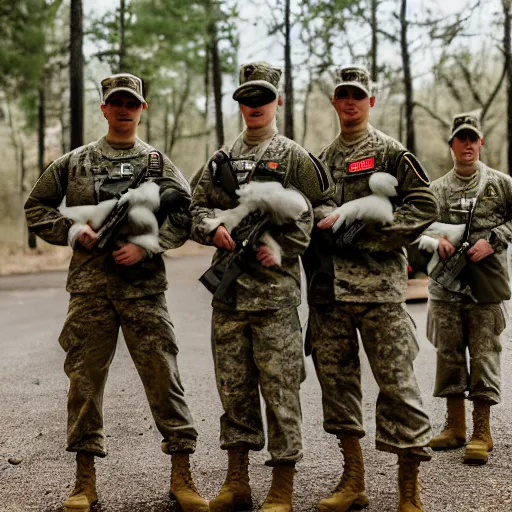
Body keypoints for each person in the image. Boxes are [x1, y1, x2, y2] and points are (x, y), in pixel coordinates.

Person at [24, 73, 207, 512]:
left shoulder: (157, 165)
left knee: (164, 379)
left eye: (132, 103)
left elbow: (186, 212)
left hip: (144, 291)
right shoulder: (76, 162)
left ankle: (182, 477)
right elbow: (36, 206)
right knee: (84, 383)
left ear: (142, 108)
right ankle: (83, 483)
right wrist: (73, 232)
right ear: (104, 108)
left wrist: (148, 246)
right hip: (90, 291)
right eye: (116, 102)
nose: (124, 109)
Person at [190, 62, 333, 512]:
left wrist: (285, 248)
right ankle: (237, 483)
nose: (254, 107)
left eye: (263, 99)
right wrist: (211, 228)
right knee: (233, 387)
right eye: (246, 100)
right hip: (229, 296)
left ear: (278, 102)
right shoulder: (221, 159)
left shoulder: (293, 156)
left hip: (274, 297)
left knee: (280, 388)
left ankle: (282, 488)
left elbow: (319, 208)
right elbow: (194, 208)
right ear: (239, 106)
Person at [306, 66, 438, 512]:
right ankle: (353, 481)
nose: (350, 102)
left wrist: (378, 238)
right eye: (342, 95)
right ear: (334, 101)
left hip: (380, 291)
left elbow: (424, 203)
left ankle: (409, 491)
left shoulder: (390, 153)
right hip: (331, 296)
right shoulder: (319, 161)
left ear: (371, 101)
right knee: (337, 389)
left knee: (399, 387)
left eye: (357, 95)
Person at [427, 112, 512, 465]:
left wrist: (496, 240)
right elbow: (421, 226)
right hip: (446, 290)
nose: (467, 144)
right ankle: (455, 426)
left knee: (484, 355)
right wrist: (436, 241)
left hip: (485, 286)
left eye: (472, 138)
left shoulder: (501, 184)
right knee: (447, 355)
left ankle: (481, 431)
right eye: (460, 139)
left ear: (481, 143)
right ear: (451, 145)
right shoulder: (436, 189)